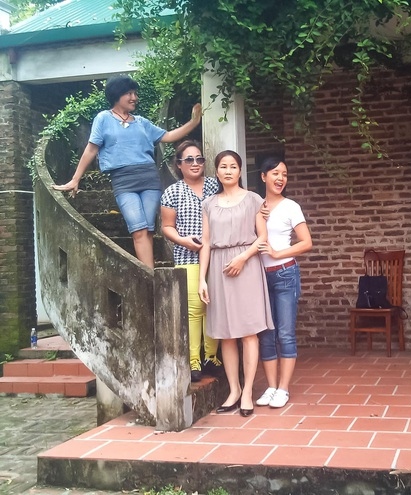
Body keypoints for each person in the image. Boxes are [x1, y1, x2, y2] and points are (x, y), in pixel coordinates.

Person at [53, 75, 202, 269]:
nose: (134, 98)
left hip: (148, 178)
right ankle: (149, 276)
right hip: (123, 180)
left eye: (135, 93)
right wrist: (75, 179)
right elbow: (91, 148)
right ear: (117, 95)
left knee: (148, 229)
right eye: (129, 93)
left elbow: (168, 136)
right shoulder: (103, 118)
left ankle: (150, 275)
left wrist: (194, 122)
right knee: (138, 229)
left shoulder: (141, 122)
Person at [198, 150, 273, 417]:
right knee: (226, 334)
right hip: (219, 269)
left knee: (249, 332)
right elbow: (206, 243)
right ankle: (234, 390)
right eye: (223, 166)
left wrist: (243, 258)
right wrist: (202, 279)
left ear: (240, 171)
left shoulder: (254, 200)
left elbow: (262, 237)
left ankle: (248, 391)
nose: (228, 171)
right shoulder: (208, 204)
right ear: (216, 172)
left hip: (247, 265)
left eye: (233, 166)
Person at [160, 140, 223, 382]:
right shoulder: (172, 192)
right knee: (195, 309)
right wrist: (184, 241)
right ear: (179, 164)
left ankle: (211, 357)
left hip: (217, 256)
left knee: (214, 307)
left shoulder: (215, 186)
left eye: (199, 159)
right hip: (187, 256)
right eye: (189, 159)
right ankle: (194, 359)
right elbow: (167, 226)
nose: (195, 163)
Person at [254, 157, 312, 409]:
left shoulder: (291, 207)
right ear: (263, 176)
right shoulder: (256, 206)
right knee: (266, 333)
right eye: (275, 173)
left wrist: (277, 253)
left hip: (285, 274)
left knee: (285, 333)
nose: (280, 178)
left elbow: (306, 242)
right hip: (259, 277)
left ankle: (283, 388)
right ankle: (271, 387)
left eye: (284, 174)